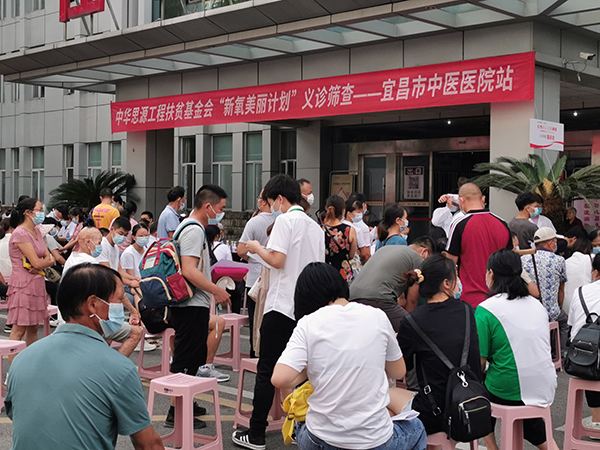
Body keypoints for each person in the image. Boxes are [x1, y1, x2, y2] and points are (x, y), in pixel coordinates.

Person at [4, 263, 163, 450]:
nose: (121, 307)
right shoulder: (119, 368)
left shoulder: (21, 360)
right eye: (119, 300)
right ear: (93, 304)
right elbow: (149, 445)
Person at [272, 262, 427, 450]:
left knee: (302, 422)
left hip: (321, 440)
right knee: (416, 428)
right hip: (375, 442)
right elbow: (398, 371)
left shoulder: (308, 322)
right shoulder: (377, 316)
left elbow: (280, 378)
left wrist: (313, 366)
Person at [233, 174, 325, 450]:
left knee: (267, 371)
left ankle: (256, 433)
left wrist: (256, 247)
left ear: (280, 199)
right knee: (305, 373)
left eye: (272, 201)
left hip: (282, 306)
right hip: (309, 310)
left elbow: (277, 259)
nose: (272, 206)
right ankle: (303, 431)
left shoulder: (285, 221)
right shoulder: (315, 227)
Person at [476, 249, 557, 450]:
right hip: (544, 384)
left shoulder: (486, 309)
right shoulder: (537, 306)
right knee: (531, 423)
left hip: (509, 388)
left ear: (491, 274)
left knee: (477, 393)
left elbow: (480, 361)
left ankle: (492, 447)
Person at [397, 254, 482, 435]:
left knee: (386, 397)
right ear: (446, 284)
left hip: (436, 413)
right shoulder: (467, 310)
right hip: (471, 404)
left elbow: (401, 370)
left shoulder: (412, 321)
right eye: (456, 278)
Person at [168, 184, 231, 428]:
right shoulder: (194, 230)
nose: (221, 213)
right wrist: (216, 290)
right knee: (185, 359)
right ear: (208, 207)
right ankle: (177, 411)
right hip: (190, 304)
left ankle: (185, 403)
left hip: (189, 303)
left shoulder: (187, 226)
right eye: (220, 208)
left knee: (191, 357)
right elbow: (189, 270)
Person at [444, 183, 511, 308]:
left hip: (470, 300)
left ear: (461, 200)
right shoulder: (502, 223)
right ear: (483, 199)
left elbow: (450, 263)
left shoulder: (459, 225)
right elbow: (510, 260)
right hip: (500, 299)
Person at [349, 237, 433, 331]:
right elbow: (412, 299)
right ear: (425, 252)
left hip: (352, 295)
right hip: (380, 297)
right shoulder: (418, 259)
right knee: (412, 331)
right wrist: (410, 319)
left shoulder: (387, 249)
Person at [6, 198, 55, 352]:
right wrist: (44, 262)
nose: (42, 213)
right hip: (23, 285)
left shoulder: (37, 231)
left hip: (37, 282)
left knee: (33, 327)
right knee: (19, 328)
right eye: (39, 209)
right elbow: (39, 262)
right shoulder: (20, 233)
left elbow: (49, 258)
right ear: (28, 213)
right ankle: (14, 365)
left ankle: (30, 362)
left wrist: (43, 262)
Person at [237, 189, 275, 359]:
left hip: (255, 280)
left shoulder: (254, 222)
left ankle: (255, 356)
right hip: (275, 279)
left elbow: (240, 250)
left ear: (264, 201)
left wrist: (252, 257)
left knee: (255, 323)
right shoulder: (283, 219)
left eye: (259, 198)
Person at [521, 227, 568, 359]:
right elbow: (561, 289)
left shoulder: (523, 259)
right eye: (555, 242)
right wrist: (559, 307)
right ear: (550, 243)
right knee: (564, 323)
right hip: (551, 311)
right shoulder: (559, 260)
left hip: (529, 311)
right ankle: (558, 354)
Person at [568, 254, 600, 431]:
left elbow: (573, 324)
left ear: (595, 272)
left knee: (590, 356)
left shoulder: (580, 291)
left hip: (583, 359)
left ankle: (596, 419)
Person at [322, 196, 357, 282]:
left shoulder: (320, 229)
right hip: (343, 273)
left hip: (325, 272)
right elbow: (351, 255)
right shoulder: (349, 230)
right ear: (343, 210)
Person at [564, 237, 593, 313]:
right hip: (585, 303)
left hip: (566, 305)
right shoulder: (589, 259)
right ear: (587, 249)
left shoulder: (565, 262)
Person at [342, 196, 372, 264]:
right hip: (352, 264)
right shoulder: (357, 230)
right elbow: (365, 254)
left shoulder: (339, 225)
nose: (360, 214)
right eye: (358, 212)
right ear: (349, 213)